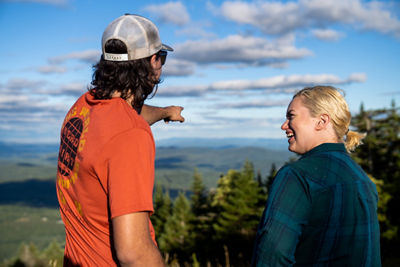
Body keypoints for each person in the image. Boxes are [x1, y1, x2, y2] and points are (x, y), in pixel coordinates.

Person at [56, 14, 184, 266]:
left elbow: (126, 113)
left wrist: (165, 112)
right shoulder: (130, 135)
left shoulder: (83, 108)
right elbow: (133, 253)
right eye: (162, 58)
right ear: (153, 61)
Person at [252, 86, 381, 266]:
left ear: (321, 121)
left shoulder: (297, 176)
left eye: (291, 116)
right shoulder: (362, 179)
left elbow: (272, 255)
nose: (284, 125)